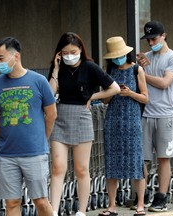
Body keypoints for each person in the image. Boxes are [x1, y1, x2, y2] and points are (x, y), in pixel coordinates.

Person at [48, 32, 120, 216]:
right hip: (60, 115)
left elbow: (114, 88)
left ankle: (81, 211)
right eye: (64, 53)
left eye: (73, 51)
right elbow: (50, 93)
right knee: (58, 167)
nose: (69, 56)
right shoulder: (58, 67)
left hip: (82, 115)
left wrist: (93, 97)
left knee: (81, 169)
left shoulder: (89, 66)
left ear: (80, 49)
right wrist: (55, 70)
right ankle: (53, 211)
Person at [0, 37, 57, 216]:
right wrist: (2, 133)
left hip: (35, 152)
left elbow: (51, 114)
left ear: (15, 56)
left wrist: (42, 137)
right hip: (6, 154)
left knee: (41, 201)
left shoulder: (39, 81)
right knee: (12, 202)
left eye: (1, 58)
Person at [100, 36, 148, 216]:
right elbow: (105, 100)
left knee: (136, 161)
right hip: (113, 120)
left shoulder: (137, 69)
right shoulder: (109, 70)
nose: (116, 59)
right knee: (111, 163)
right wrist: (112, 92)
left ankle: (140, 204)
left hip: (132, 119)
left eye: (119, 55)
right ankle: (111, 205)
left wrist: (130, 93)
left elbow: (145, 97)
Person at [137, 20, 173, 212]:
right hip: (145, 112)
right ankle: (142, 195)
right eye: (148, 39)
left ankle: (161, 197)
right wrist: (139, 67)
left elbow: (165, 83)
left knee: (164, 158)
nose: (150, 43)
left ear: (163, 35)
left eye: (154, 38)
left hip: (164, 114)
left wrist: (142, 73)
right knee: (142, 158)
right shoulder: (145, 58)